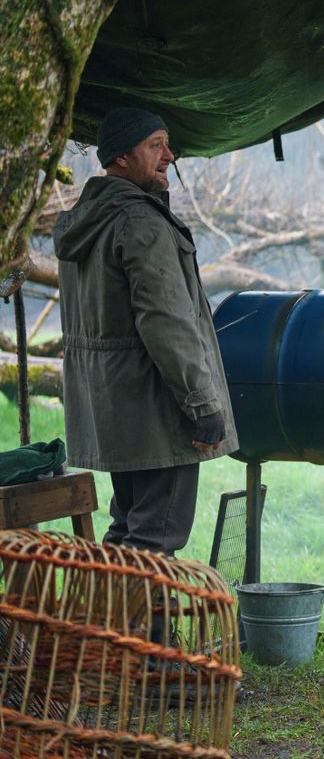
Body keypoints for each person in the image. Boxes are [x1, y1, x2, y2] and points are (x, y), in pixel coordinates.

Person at [53, 106, 238, 559]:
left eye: (167, 145)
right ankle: (144, 633)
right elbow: (166, 322)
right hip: (157, 416)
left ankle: (108, 629)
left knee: (127, 531)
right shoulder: (140, 222)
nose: (169, 155)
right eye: (155, 145)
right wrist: (201, 402)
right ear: (120, 157)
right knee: (156, 540)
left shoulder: (90, 220)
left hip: (117, 415)